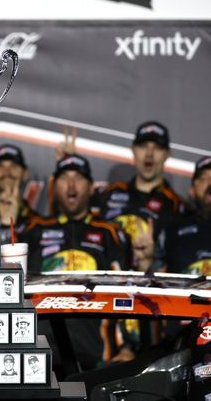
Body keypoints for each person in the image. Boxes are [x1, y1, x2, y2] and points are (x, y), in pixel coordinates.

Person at [23, 154, 130, 370]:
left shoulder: (110, 233)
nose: (71, 185)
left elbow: (128, 291)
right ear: (54, 187)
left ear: (91, 188)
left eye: (78, 178)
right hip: (40, 353)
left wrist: (128, 345)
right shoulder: (34, 230)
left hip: (96, 354)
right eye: (64, 178)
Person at [95, 121, 185, 272]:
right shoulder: (108, 193)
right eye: (143, 146)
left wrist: (150, 262)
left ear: (167, 154)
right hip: (103, 283)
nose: (149, 154)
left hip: (150, 284)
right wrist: (66, 164)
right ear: (133, 150)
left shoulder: (177, 206)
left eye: (157, 148)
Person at [162, 156, 211, 275]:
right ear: (192, 190)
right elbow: (155, 276)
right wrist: (146, 259)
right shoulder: (172, 230)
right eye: (204, 178)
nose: (210, 183)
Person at [0, 144, 39, 243]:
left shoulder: (37, 221)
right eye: (0, 166)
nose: (7, 172)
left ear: (25, 174)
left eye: (14, 166)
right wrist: (6, 223)